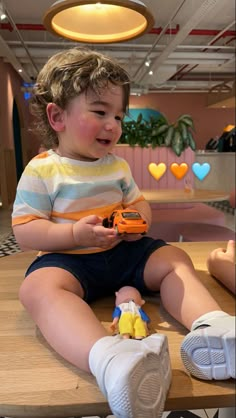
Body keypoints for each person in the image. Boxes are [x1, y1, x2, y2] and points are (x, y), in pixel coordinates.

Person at [12, 47, 235, 418]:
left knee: (174, 259)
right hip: (70, 261)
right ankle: (109, 358)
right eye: (100, 112)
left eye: (118, 115)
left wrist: (138, 222)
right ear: (57, 116)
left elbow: (139, 203)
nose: (113, 124)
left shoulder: (116, 166)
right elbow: (26, 232)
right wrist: (72, 237)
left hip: (124, 253)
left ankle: (215, 327)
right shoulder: (42, 170)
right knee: (36, 289)